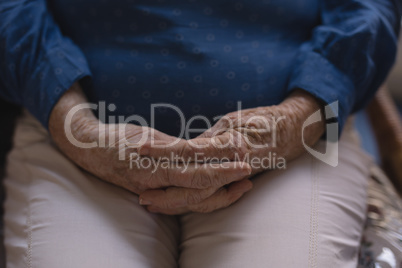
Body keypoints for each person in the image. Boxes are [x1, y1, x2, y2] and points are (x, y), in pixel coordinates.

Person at [0, 0, 400, 267]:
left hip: (293, 144)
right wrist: (78, 128)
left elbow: (366, 8)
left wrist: (302, 114)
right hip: (76, 133)